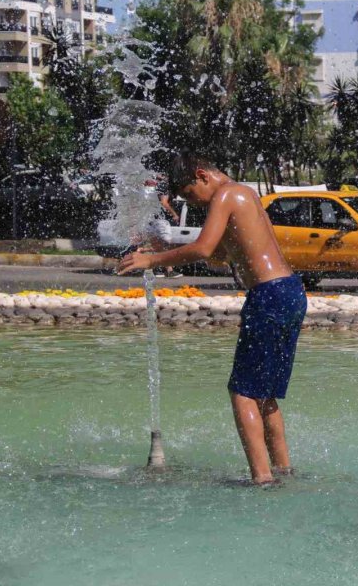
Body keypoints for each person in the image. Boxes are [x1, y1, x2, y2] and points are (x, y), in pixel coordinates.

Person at [118, 154, 307, 485]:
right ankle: (283, 469)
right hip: (290, 291)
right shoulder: (244, 194)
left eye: (190, 194)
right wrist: (169, 246)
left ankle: (262, 479)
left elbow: (204, 249)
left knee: (243, 392)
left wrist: (151, 259)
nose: (194, 202)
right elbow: (219, 254)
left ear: (201, 175)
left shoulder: (225, 194)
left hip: (268, 295)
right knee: (265, 392)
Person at [151, 176, 183, 279]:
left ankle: (157, 269)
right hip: (162, 219)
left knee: (159, 244)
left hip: (155, 218)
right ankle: (169, 271)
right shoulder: (165, 185)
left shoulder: (161, 185)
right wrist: (174, 214)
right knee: (166, 244)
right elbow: (163, 203)